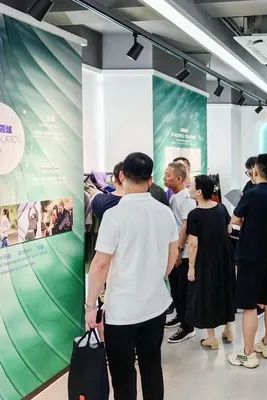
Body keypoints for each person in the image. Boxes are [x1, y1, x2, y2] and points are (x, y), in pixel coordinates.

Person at [85, 152, 179, 400]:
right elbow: (173, 253)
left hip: (122, 312)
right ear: (150, 179)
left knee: (123, 374)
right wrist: (157, 276)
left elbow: (100, 265)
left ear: (121, 176)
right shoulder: (164, 212)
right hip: (155, 306)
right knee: (152, 366)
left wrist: (90, 306)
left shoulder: (114, 216)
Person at [229, 154, 267, 369]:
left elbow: (235, 220)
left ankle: (247, 353)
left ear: (256, 171)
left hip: (250, 255)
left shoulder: (251, 194)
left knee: (249, 305)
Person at [186, 175, 235, 349]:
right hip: (224, 256)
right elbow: (229, 229)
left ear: (199, 192)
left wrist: (191, 267)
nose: (189, 187)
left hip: (205, 259)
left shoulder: (194, 215)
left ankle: (211, 338)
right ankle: (228, 330)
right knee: (225, 290)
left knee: (207, 294)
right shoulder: (221, 207)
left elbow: (193, 244)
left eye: (191, 185)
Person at [163, 162, 197, 343]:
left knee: (182, 291)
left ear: (179, 178)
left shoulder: (186, 198)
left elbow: (186, 226)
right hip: (175, 251)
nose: (165, 178)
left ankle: (187, 326)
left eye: (168, 175)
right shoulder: (174, 197)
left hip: (183, 254)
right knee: (176, 290)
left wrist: (178, 250)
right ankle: (180, 317)